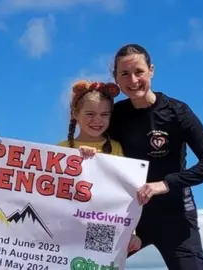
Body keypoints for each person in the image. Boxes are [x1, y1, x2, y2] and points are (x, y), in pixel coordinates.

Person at [108, 43, 203, 270]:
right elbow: (91, 140)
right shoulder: (116, 115)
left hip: (175, 214)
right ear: (116, 78)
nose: (133, 81)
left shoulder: (176, 111)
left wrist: (165, 183)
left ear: (151, 70)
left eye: (139, 72)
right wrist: (86, 151)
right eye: (125, 74)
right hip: (127, 215)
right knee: (81, 262)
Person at [57, 79, 142, 253]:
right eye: (90, 113)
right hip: (65, 228)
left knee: (92, 263)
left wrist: (130, 232)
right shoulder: (61, 149)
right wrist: (79, 159)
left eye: (104, 114)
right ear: (75, 113)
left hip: (102, 225)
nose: (97, 120)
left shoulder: (116, 148)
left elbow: (126, 194)